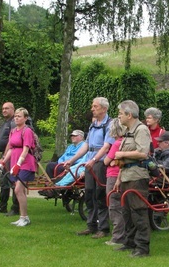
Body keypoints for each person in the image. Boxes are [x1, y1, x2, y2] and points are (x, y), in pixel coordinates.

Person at [65, 97, 114, 239]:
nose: (92, 109)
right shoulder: (93, 125)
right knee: (89, 194)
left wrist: (94, 160)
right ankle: (91, 225)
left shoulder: (109, 125)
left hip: (100, 163)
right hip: (90, 162)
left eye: (95, 106)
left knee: (100, 195)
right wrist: (72, 160)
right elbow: (86, 145)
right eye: (92, 106)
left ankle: (103, 228)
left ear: (104, 109)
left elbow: (106, 147)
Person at [113, 100, 152, 257]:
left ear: (129, 115)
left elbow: (143, 153)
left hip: (137, 176)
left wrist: (121, 154)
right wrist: (118, 179)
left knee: (138, 211)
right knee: (127, 212)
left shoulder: (141, 130)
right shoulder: (128, 131)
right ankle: (130, 242)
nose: (119, 117)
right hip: (126, 176)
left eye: (121, 114)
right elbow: (124, 162)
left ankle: (142, 247)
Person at [1, 107, 37, 226]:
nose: (16, 118)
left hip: (26, 164)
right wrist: (3, 161)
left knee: (18, 189)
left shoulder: (27, 131)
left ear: (25, 118)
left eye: (19, 116)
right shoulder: (13, 131)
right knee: (18, 190)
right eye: (15, 116)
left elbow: (26, 149)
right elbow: (11, 148)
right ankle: (22, 217)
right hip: (15, 162)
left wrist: (19, 164)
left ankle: (25, 217)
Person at [103, 118, 126, 247]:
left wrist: (111, 160)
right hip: (123, 175)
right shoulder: (127, 142)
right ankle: (124, 234)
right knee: (122, 206)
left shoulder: (117, 143)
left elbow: (106, 161)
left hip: (113, 176)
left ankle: (117, 237)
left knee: (114, 206)